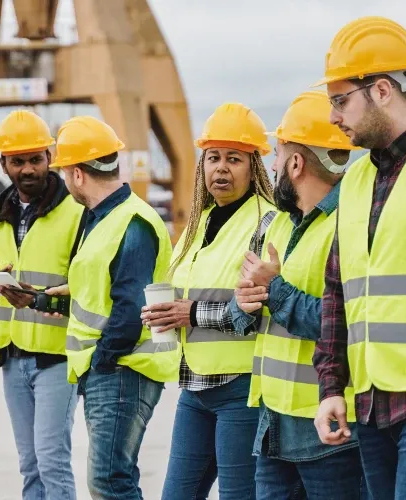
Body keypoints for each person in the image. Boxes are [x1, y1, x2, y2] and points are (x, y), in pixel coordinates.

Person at [233, 90, 365, 499]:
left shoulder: (349, 225)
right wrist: (245, 305)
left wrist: (274, 290)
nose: (271, 165)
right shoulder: (279, 225)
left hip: (326, 430)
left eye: (277, 155)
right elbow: (250, 314)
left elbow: (341, 321)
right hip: (274, 428)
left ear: (295, 163)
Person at [141, 102, 276, 500]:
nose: (221, 168)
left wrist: (190, 314)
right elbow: (178, 289)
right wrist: (159, 313)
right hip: (194, 387)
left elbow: (259, 306)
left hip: (241, 388)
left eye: (234, 159)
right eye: (213, 157)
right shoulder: (197, 225)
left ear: (254, 168)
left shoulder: (266, 223)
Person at [42, 115, 178, 500]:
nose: (65, 182)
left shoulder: (132, 222)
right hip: (111, 368)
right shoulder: (104, 218)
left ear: (78, 174)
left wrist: (103, 361)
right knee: (111, 478)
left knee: (109, 481)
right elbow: (109, 282)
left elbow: (129, 307)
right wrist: (71, 293)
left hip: (123, 368)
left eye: (65, 173)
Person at [311, 16, 406, 499]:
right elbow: (338, 291)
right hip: (371, 405)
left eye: (340, 100)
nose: (333, 117)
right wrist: (331, 386)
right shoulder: (353, 183)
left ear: (382, 91)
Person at [0, 109, 85, 500]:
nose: (28, 169)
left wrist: (39, 296)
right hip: (12, 353)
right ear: (2, 163)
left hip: (57, 355)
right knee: (30, 464)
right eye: (18, 161)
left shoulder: (76, 213)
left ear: (50, 158)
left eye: (35, 159)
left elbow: (88, 287)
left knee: (52, 459)